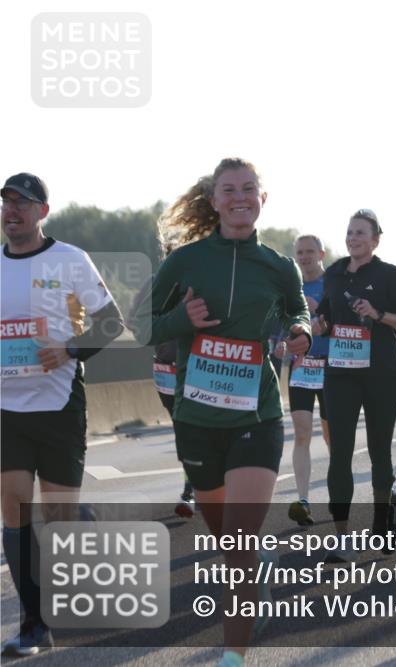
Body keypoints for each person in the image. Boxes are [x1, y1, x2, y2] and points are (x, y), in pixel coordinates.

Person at [133, 158, 312, 667]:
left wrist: (303, 332)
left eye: (249, 189)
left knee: (236, 544)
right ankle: (254, 572)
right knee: (229, 542)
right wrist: (179, 318)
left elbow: (298, 310)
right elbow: (140, 326)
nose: (240, 197)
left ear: (262, 198)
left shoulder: (279, 265)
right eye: (229, 190)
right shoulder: (186, 261)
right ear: (213, 201)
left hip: (255, 416)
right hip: (196, 420)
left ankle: (233, 656)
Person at [1, 173, 124, 656]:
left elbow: (111, 321)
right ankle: (35, 625)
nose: (12, 210)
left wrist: (69, 348)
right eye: (7, 202)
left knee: (59, 517)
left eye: (23, 203)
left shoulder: (69, 259)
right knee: (13, 509)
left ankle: (83, 525)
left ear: (42, 212)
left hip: (58, 404)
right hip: (7, 408)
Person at [314, 209, 396, 562]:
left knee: (379, 452)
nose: (353, 238)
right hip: (340, 373)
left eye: (361, 233)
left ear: (376, 240)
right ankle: (341, 537)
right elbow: (326, 317)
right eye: (349, 232)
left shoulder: (391, 275)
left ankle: (383, 515)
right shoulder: (334, 273)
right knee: (339, 453)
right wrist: (316, 324)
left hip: (382, 373)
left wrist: (378, 314)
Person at [124, 245, 194, 518]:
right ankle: (192, 487)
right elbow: (131, 322)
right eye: (171, 251)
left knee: (200, 429)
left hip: (202, 368)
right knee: (184, 428)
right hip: (166, 368)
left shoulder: (208, 281)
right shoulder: (153, 284)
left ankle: (196, 488)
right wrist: (166, 326)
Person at [277, 235, 331, 527]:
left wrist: (318, 311)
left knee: (332, 436)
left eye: (310, 251)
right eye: (300, 252)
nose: (305, 256)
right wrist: (279, 342)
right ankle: (303, 499)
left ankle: (339, 494)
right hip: (301, 368)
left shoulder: (332, 285)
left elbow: (343, 324)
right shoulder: (291, 288)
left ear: (321, 253)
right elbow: (279, 321)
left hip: (331, 368)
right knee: (301, 434)